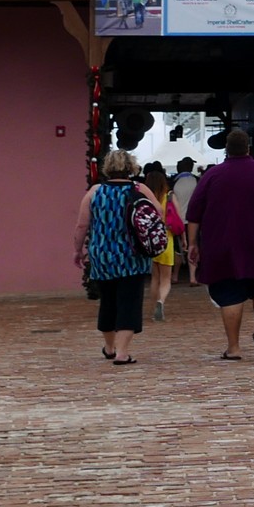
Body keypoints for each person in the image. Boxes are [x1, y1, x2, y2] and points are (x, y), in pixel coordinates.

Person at [183, 129, 254, 359]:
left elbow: (194, 213)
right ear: (249, 149)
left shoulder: (212, 176)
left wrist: (193, 243)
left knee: (229, 293)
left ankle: (233, 348)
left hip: (222, 244)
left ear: (226, 149)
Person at [73, 149, 162, 365]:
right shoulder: (140, 189)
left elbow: (82, 224)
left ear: (108, 167)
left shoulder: (95, 192)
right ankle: (123, 352)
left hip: (103, 255)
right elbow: (158, 214)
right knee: (129, 302)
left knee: (109, 301)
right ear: (131, 167)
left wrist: (78, 250)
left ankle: (110, 347)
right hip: (132, 255)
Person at [143, 165, 179, 321]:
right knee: (166, 278)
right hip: (166, 238)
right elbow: (178, 217)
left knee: (155, 278)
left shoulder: (145, 197)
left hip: (150, 239)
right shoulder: (169, 196)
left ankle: (153, 309)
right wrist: (183, 239)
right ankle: (161, 301)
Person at [168, 156, 202, 284]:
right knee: (193, 246)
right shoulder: (197, 181)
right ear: (190, 167)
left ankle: (175, 276)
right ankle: (193, 277)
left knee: (177, 249)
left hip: (177, 220)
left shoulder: (172, 182)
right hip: (193, 220)